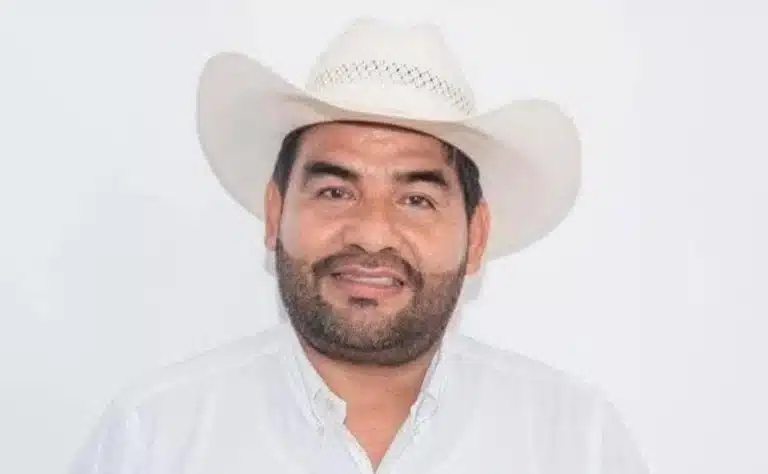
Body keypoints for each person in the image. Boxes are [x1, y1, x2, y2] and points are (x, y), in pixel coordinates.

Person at [70, 17, 649, 474]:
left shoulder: (575, 444)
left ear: (476, 238)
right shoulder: (155, 438)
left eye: (416, 199)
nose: (372, 233)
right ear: (275, 214)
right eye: (335, 191)